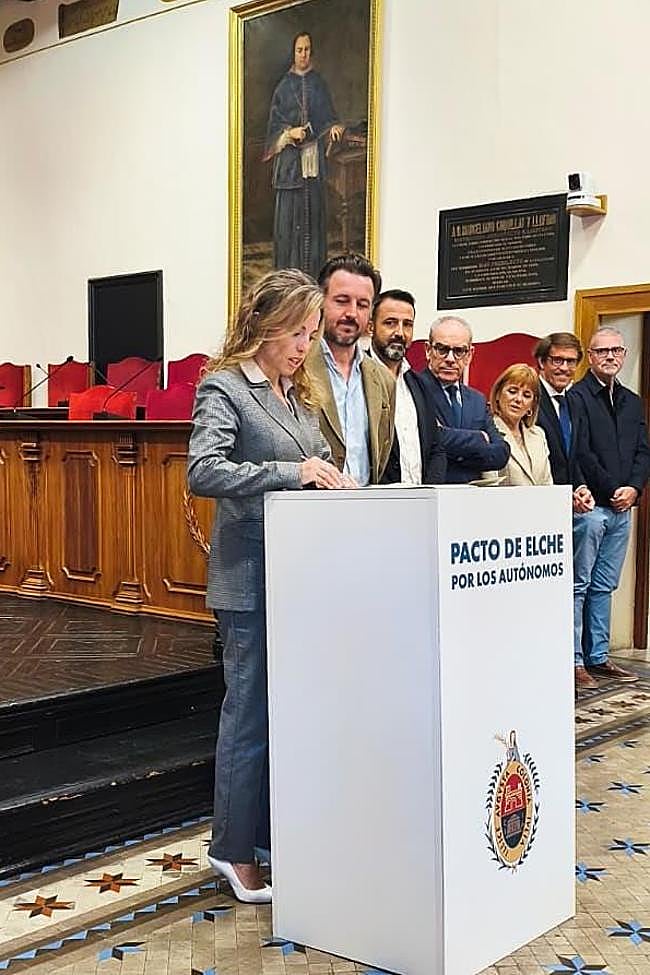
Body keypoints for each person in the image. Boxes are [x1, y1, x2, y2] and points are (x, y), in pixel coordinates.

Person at [187, 268, 352, 904]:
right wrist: (295, 470)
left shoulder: (296, 391)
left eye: (311, 334)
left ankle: (271, 837)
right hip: (250, 579)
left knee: (286, 716)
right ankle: (232, 850)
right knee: (248, 716)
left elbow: (313, 465)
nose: (305, 346)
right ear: (266, 325)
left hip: (299, 575)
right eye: (298, 333)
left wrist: (331, 477)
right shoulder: (224, 386)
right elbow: (205, 469)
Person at [569, 326, 650, 682]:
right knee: (579, 584)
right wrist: (612, 488)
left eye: (617, 350)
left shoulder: (633, 401)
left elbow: (643, 450)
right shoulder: (577, 397)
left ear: (624, 355)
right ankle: (575, 661)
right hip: (593, 508)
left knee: (605, 585)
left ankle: (599, 655)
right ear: (590, 355)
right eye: (603, 351)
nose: (610, 356)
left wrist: (633, 488)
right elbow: (581, 451)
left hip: (623, 509)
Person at [534, 332, 598, 689]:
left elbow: (579, 454)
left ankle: (571, 660)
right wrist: (560, 495)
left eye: (570, 361)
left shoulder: (573, 401)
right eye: (556, 360)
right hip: (541, 506)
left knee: (573, 585)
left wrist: (582, 488)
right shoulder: (531, 394)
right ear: (542, 362)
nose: (563, 367)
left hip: (569, 505)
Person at [309, 254, 395, 484]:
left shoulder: (384, 381)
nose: (352, 313)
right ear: (321, 302)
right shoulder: (297, 367)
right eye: (342, 300)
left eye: (362, 304)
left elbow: (380, 457)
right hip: (307, 510)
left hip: (364, 512)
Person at [264, 32, 344, 278]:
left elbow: (327, 117)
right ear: (293, 52)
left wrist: (334, 127)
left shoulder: (318, 83)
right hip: (290, 164)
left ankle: (313, 278)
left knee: (314, 216)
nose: (303, 54)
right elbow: (273, 129)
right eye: (299, 49)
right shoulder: (283, 86)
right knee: (290, 223)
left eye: (307, 49)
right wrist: (289, 133)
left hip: (312, 159)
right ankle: (289, 280)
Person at [416, 315, 510, 482]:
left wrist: (454, 450)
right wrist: (479, 439)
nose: (450, 359)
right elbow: (429, 439)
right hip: (432, 496)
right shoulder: (414, 389)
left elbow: (501, 454)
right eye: (442, 349)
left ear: (470, 354)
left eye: (459, 351)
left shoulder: (477, 400)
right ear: (428, 350)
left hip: (469, 500)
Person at [368, 288, 446, 484]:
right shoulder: (357, 377)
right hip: (375, 502)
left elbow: (436, 448)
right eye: (390, 323)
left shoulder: (420, 384)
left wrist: (429, 492)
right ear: (371, 327)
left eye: (407, 325)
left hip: (421, 503)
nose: (400, 333)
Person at [489, 363, 553, 486]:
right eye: (512, 391)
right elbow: (489, 485)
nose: (518, 399)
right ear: (498, 394)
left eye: (526, 395)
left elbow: (547, 483)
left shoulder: (539, 434)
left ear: (532, 406)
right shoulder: (488, 433)